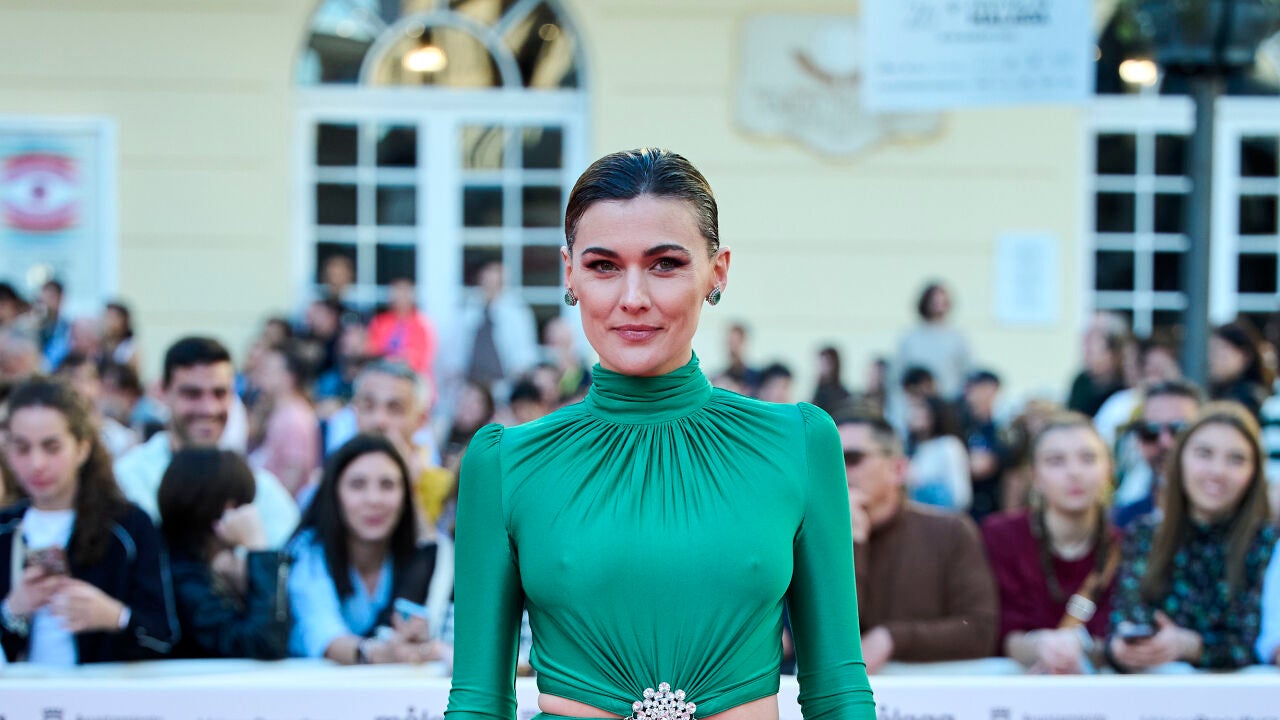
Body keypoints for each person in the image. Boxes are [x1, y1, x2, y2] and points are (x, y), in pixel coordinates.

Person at [445, 148, 874, 720]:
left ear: (717, 271)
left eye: (665, 264)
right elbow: (476, 702)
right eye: (603, 266)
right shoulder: (505, 463)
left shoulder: (799, 443)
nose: (633, 298)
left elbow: (839, 689)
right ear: (570, 273)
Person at [0, 378, 179, 664]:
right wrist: (12, 610)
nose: (37, 464)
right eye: (22, 448)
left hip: (102, 691)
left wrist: (115, 616)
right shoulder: (5, 529)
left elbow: (164, 635)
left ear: (82, 448)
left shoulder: (128, 526)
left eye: (52, 447)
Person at [1107, 402, 1277, 672]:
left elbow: (1263, 644)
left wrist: (1193, 647)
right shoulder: (1144, 534)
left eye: (1236, 459)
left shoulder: (1269, 544)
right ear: (1180, 460)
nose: (1217, 471)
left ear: (1255, 471)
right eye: (1204, 454)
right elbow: (1121, 618)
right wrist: (1123, 648)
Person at [841, 413, 998, 673]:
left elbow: (980, 631)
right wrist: (852, 546)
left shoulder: (950, 531)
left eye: (852, 458)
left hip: (932, 694)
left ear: (898, 469)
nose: (836, 469)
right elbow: (828, 638)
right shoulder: (810, 537)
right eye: (826, 459)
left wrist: (892, 638)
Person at [113, 337, 300, 547]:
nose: (208, 409)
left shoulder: (262, 487)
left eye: (220, 394)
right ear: (163, 392)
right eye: (192, 394)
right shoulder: (130, 478)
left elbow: (291, 555)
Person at [288, 434, 448, 665]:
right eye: (357, 485)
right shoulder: (308, 551)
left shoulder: (423, 557)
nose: (374, 500)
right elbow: (322, 634)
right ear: (334, 493)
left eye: (387, 485)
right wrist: (376, 653)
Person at [983, 413, 1119, 674]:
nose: (1074, 473)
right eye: (1056, 461)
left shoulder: (1125, 544)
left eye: (1088, 459)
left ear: (1109, 471)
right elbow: (999, 629)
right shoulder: (1000, 535)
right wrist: (1039, 647)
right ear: (1035, 475)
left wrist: (1082, 649)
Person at [158, 447, 290, 659]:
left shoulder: (199, 566)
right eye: (243, 504)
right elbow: (265, 643)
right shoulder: (182, 577)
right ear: (227, 508)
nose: (248, 513)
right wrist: (258, 547)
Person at [1112, 380, 1202, 529]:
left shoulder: (1230, 520)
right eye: (1151, 431)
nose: (1165, 443)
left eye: (1179, 429)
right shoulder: (1123, 523)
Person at [248, 342, 321, 498]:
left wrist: (276, 504)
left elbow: (294, 471)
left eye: (269, 369)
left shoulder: (294, 418)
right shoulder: (280, 412)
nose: (262, 374)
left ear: (289, 377)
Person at [894, 281, 971, 403]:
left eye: (942, 302)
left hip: (947, 401)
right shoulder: (910, 337)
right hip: (916, 403)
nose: (938, 307)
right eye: (935, 302)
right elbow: (898, 373)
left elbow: (966, 371)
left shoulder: (957, 338)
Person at [906, 394, 971, 511]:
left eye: (921, 409)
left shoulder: (949, 445)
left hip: (943, 515)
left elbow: (960, 495)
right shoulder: (914, 448)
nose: (915, 414)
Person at [961, 369, 1007, 522]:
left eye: (981, 388)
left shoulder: (1001, 429)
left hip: (992, 507)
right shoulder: (958, 424)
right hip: (962, 509)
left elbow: (986, 465)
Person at [1209, 321, 1270, 420]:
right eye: (1211, 352)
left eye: (1221, 355)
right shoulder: (1219, 390)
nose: (1213, 360)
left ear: (1244, 356)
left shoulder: (1248, 397)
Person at [811, 345, 853, 417]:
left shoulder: (841, 393)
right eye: (820, 363)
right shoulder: (819, 389)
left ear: (834, 365)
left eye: (825, 363)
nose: (821, 368)